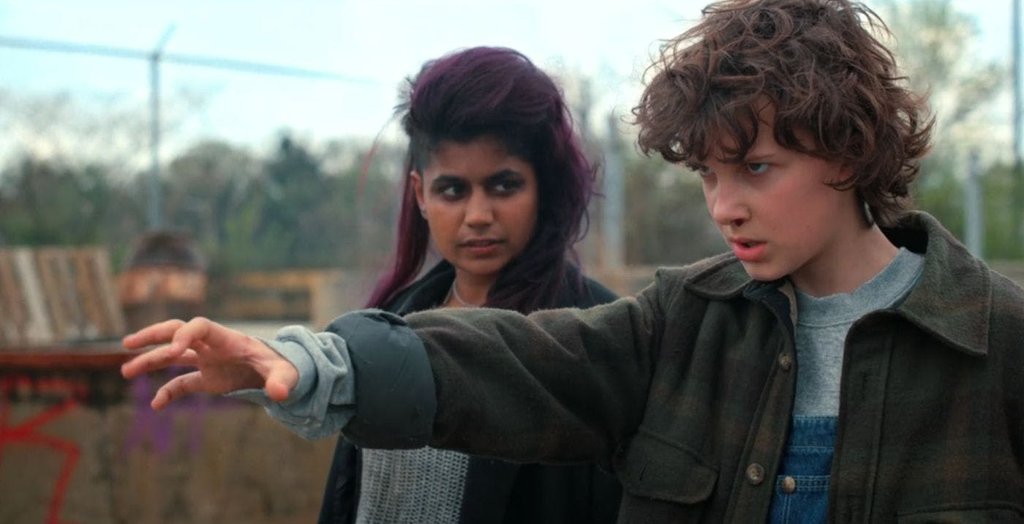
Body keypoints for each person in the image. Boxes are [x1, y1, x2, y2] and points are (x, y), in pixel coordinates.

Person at [121, 1, 1024, 522]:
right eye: (708, 174)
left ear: (849, 149)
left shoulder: (999, 346)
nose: (723, 207)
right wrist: (317, 360)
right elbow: (516, 358)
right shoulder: (684, 324)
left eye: (755, 168)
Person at [315, 46, 622, 524]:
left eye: (504, 186)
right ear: (420, 193)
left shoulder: (593, 333)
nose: (478, 216)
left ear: (542, 186)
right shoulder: (390, 324)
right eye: (453, 190)